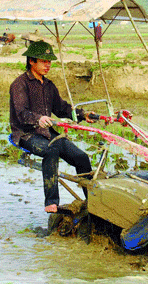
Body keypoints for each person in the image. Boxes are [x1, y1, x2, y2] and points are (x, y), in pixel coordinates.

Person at [9, 41, 95, 213]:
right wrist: (38, 118)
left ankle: (92, 202)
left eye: (49, 61)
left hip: (49, 134)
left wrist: (83, 114)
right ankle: (51, 202)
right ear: (31, 61)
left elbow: (61, 108)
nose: (47, 65)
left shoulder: (49, 85)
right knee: (50, 151)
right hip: (27, 134)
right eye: (43, 61)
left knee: (82, 157)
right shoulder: (20, 84)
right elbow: (21, 113)